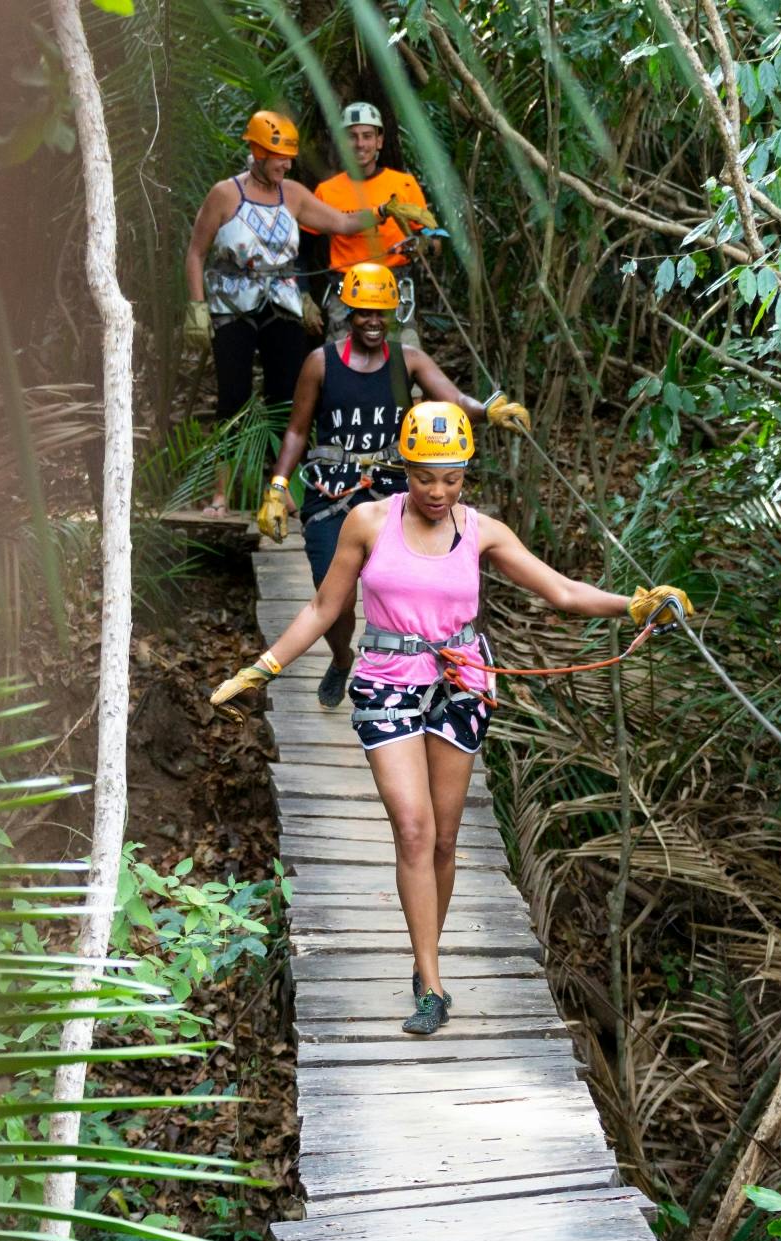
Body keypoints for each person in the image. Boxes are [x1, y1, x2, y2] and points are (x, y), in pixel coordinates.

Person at [211, 401, 693, 1035]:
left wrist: (636, 606)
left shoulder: (480, 531)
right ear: (405, 468)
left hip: (460, 684)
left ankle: (424, 962)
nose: (438, 491)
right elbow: (324, 608)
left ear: (465, 473)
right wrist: (265, 666)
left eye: (453, 478)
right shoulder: (367, 522)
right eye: (425, 476)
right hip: (386, 681)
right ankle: (433, 985)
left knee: (442, 837)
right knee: (411, 829)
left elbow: (564, 592)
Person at [255, 261, 528, 709]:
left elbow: (454, 398)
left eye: (382, 312)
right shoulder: (320, 364)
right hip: (331, 495)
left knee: (415, 588)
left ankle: (410, 677)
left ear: (394, 313)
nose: (373, 321)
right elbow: (297, 431)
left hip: (393, 495)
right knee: (334, 601)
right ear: (350, 311)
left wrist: (489, 411)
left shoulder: (410, 361)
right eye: (364, 311)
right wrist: (278, 485)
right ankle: (343, 658)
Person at [183, 110, 431, 517]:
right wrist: (196, 307)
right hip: (232, 308)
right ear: (257, 152)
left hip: (282, 306)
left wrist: (385, 212)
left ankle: (284, 491)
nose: (286, 165)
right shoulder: (224, 195)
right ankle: (219, 494)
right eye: (279, 157)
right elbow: (196, 253)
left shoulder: (293, 194)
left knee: (286, 398)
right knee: (233, 399)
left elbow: (342, 224)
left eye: (289, 158)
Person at [302, 102, 433, 348]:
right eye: (351, 137)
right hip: (346, 293)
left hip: (394, 290)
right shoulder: (326, 192)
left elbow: (431, 237)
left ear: (379, 141)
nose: (360, 144)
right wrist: (303, 295)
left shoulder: (403, 185)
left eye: (367, 136)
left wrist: (424, 244)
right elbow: (301, 249)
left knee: (403, 368)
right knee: (343, 368)